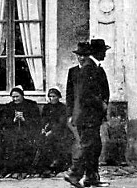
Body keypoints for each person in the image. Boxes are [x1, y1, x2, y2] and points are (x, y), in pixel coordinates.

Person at [63, 41, 110, 188]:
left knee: (95, 146)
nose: (105, 54)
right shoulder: (89, 68)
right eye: (103, 51)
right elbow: (85, 94)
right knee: (88, 145)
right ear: (96, 52)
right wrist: (100, 104)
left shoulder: (94, 67)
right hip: (88, 115)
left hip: (90, 115)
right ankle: (74, 174)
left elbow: (103, 91)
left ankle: (91, 177)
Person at [33, 88, 72, 174]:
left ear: (58, 97)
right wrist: (43, 128)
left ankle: (57, 166)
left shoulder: (63, 107)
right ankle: (42, 167)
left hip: (60, 130)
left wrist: (52, 131)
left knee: (54, 142)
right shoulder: (47, 107)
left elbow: (62, 122)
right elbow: (43, 119)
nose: (51, 98)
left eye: (53, 96)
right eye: (50, 97)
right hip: (48, 129)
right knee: (41, 141)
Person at [3, 87, 40, 173]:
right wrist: (14, 120)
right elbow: (5, 121)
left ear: (22, 95)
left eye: (17, 96)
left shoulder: (31, 105)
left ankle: (26, 169)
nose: (15, 99)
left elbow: (37, 120)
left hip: (28, 131)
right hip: (13, 131)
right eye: (13, 97)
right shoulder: (9, 106)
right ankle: (14, 169)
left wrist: (24, 119)